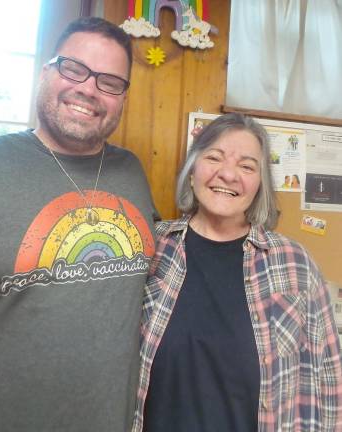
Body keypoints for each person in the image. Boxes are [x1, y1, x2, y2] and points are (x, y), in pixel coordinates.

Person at [0, 17, 158, 432]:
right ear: (46, 70)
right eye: (73, 68)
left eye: (109, 81)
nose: (88, 89)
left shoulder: (131, 171)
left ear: (123, 97)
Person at [132, 113, 342, 431]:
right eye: (214, 157)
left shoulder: (295, 265)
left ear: (259, 186)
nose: (228, 174)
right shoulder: (150, 247)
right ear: (192, 173)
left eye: (247, 166)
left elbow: (329, 382)